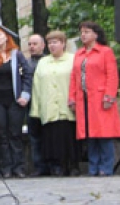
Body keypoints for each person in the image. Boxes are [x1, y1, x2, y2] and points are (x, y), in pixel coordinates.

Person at [68, 22, 120, 176]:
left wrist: (109, 96)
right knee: (89, 134)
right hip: (83, 99)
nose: (83, 35)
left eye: (87, 32)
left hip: (100, 98)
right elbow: (74, 77)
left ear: (96, 35)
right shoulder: (79, 54)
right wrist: (72, 98)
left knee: (104, 134)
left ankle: (106, 167)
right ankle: (93, 167)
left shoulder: (105, 52)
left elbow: (112, 75)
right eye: (82, 32)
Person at [0, 26, 33, 178]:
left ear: (6, 37)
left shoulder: (17, 55)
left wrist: (25, 95)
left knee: (15, 134)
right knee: (1, 135)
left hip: (15, 100)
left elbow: (27, 74)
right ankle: (6, 168)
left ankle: (19, 167)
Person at [30, 30, 79, 176]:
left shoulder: (73, 59)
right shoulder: (43, 62)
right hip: (49, 107)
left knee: (69, 137)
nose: (52, 45)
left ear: (63, 44)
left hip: (68, 106)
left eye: (55, 42)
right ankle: (57, 166)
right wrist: (36, 110)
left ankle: (73, 165)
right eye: (50, 43)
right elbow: (36, 86)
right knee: (52, 139)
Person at [27, 34, 49, 176]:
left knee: (49, 135)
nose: (32, 47)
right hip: (31, 104)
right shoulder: (25, 63)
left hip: (48, 102)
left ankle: (52, 164)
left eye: (35, 44)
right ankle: (39, 166)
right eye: (29, 44)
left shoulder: (49, 62)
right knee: (34, 137)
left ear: (43, 45)